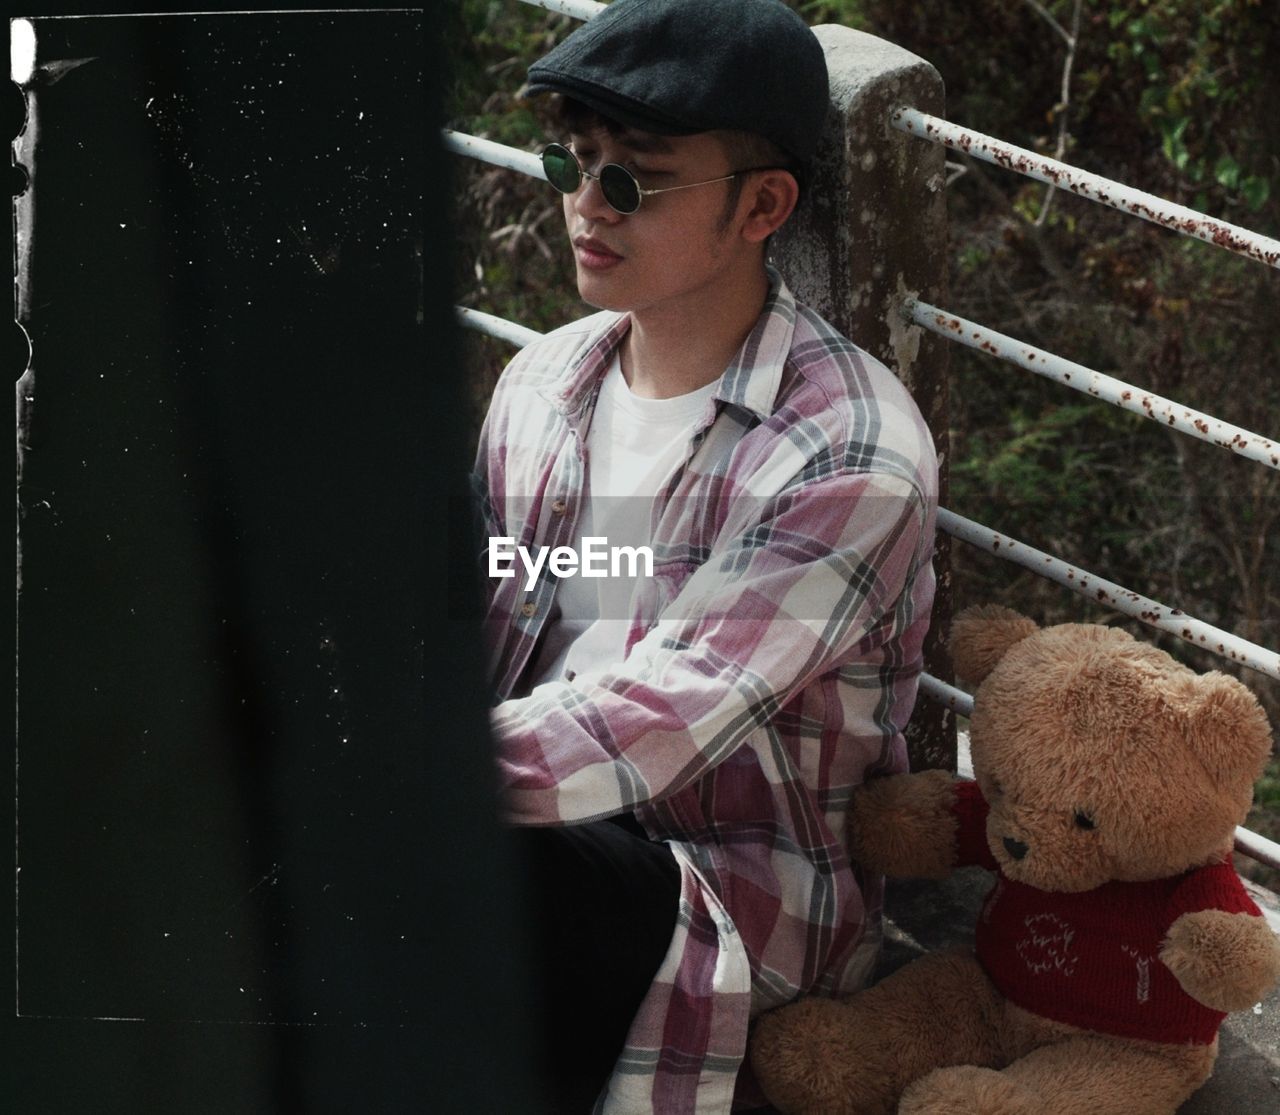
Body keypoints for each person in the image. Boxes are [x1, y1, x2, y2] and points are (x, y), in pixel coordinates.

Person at [471, 1, 939, 1111]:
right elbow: (501, 614)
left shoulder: (848, 454)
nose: (585, 206)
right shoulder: (544, 384)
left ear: (761, 205)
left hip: (726, 898)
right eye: (571, 162)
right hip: (532, 819)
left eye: (632, 178)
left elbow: (668, 706)